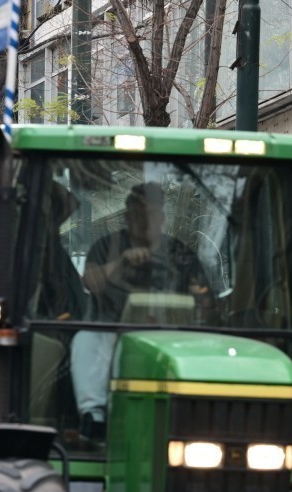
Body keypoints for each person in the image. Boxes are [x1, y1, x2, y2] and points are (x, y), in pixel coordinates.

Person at [71, 182, 209, 436]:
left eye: (152, 213)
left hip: (171, 335)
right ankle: (94, 417)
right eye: (138, 212)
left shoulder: (181, 254)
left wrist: (196, 295)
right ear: (127, 216)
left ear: (162, 217)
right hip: (112, 332)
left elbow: (205, 299)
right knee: (85, 339)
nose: (145, 219)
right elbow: (91, 282)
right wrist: (120, 263)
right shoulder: (105, 247)